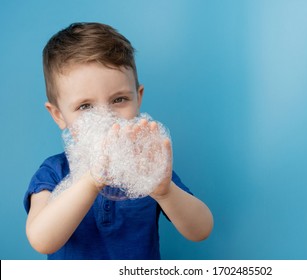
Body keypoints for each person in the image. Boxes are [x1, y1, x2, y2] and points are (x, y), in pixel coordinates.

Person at [23, 22, 213, 260]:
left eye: (119, 99)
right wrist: (91, 181)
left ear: (138, 98)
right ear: (59, 115)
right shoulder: (53, 171)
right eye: (85, 106)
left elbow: (201, 230)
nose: (106, 116)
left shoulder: (147, 166)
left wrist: (165, 192)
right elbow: (42, 240)